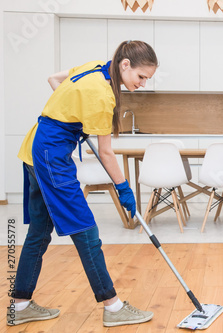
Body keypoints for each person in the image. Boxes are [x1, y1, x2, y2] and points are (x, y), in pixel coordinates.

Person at [8, 40, 158, 327]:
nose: (142, 84)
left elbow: (53, 79)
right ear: (125, 65)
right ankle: (113, 308)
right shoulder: (103, 96)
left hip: (34, 149)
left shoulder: (93, 68)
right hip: (51, 155)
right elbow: (105, 153)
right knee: (85, 229)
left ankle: (21, 304)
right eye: (141, 77)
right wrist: (124, 188)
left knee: (39, 231)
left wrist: (72, 116)